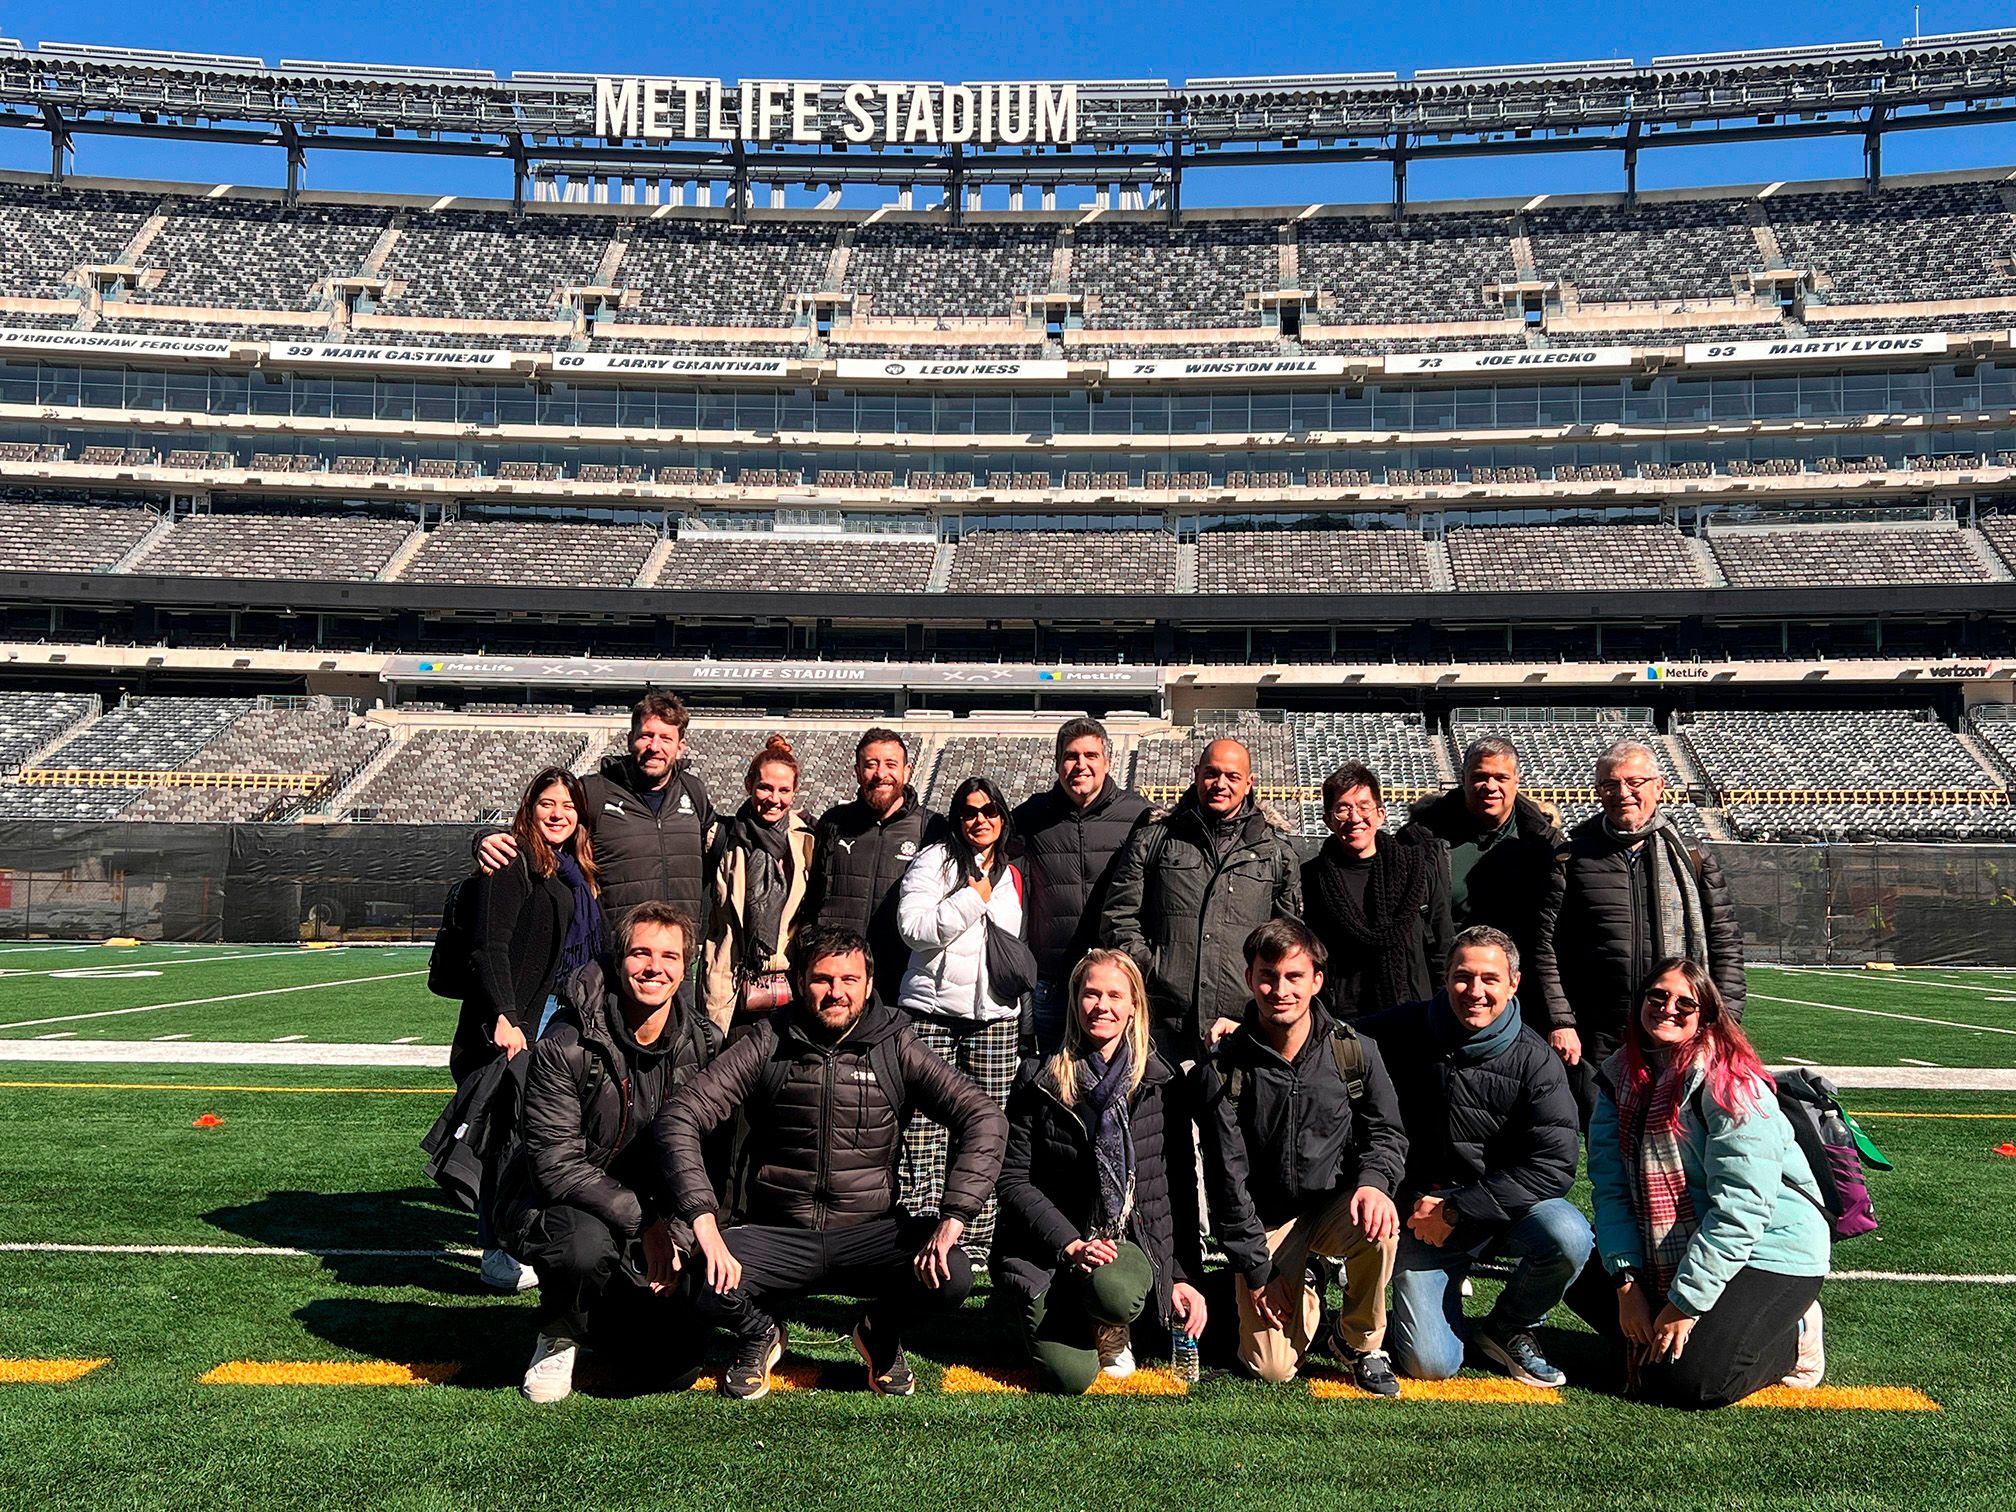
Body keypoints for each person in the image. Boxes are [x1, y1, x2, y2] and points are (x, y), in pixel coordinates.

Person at [661, 926, 1008, 1399]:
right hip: (778, 1232)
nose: (836, 993)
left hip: (869, 1233)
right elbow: (681, 1115)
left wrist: (953, 1219)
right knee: (696, 1280)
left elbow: (984, 1117)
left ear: (868, 984)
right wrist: (703, 1222)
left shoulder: (895, 1044)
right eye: (823, 979)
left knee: (954, 1274)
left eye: (850, 980)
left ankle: (879, 1332)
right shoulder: (767, 1040)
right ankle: (759, 1332)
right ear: (800, 980)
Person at [494, 902, 722, 1403]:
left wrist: (681, 1234)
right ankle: (558, 1334)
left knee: (671, 1368)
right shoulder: (567, 1041)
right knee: (583, 1246)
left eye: (668, 956)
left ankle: (608, 1317)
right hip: (565, 1203)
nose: (653, 968)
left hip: (658, 1212)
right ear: (619, 961)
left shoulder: (705, 1043)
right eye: (640, 953)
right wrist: (648, 1226)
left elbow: (710, 1157)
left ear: (686, 968)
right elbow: (555, 1165)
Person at [1584, 959, 1828, 1409]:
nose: (1667, 1008)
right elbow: (1611, 1190)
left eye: (1684, 1002)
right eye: (1657, 996)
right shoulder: (1618, 1078)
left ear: (1706, 1016)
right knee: (1575, 1259)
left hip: (1770, 1246)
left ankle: (1796, 1336)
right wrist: (1626, 1285)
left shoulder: (1732, 1083)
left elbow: (1741, 1210)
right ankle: (1671, 1328)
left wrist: (1683, 1304)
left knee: (1693, 1383)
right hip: (1677, 1238)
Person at [1359, 926, 1590, 1388]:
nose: (1476, 992)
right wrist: (1245, 1025)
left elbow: (1555, 1165)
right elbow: (1322, 1033)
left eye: (1490, 979)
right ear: (1445, 979)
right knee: (1431, 1366)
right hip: (1420, 1220)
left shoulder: (1536, 1059)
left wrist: (1459, 1209)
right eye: (1463, 977)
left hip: (1496, 1215)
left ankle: (1509, 1324)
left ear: (1514, 984)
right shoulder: (1400, 1028)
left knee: (1569, 1233)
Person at [1195, 919, 1407, 1393]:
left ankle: (1359, 1342)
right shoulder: (1225, 1065)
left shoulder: (1355, 1051)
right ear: (1249, 978)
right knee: (1271, 1369)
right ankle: (1304, 1277)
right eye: (1268, 975)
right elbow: (1227, 1179)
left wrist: (1374, 1182)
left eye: (1294, 977)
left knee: (1380, 1221)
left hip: (1335, 1206)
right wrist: (1257, 1269)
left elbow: (1387, 1133)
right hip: (1268, 1221)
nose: (1280, 989)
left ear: (1317, 980)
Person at [993, 949, 1209, 1393]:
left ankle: (1111, 1320)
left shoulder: (1158, 1084)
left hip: (1119, 1248)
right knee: (1068, 1377)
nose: (1102, 1006)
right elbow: (1011, 1179)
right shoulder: (1039, 1077)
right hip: (1052, 1249)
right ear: (1075, 1001)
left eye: (1115, 995)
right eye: (1091, 994)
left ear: (1134, 1007)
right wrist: (1069, 1243)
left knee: (1115, 1289)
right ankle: (1043, 1311)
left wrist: (1183, 1277)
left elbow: (1176, 1189)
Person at [1532, 739, 1746, 1120]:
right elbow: (1544, 945)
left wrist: (1723, 1019)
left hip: (1677, 1025)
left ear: (1658, 786)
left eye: (1634, 782)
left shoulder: (1691, 855)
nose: (1622, 794)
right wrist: (1561, 1020)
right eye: (1610, 785)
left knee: (1679, 1141)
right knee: (1607, 1149)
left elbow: (1725, 943)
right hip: (1598, 1034)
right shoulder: (1572, 856)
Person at [450, 765, 603, 1294]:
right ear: (529, 808)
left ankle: (527, 1235)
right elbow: (487, 946)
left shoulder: (574, 871)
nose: (558, 814)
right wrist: (505, 1016)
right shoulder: (512, 861)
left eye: (568, 806)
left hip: (560, 1012)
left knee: (541, 1136)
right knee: (504, 1138)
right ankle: (496, 1247)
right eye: (547, 804)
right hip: (518, 1018)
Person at [1102, 737, 1303, 1060]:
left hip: (1243, 1023)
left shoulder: (1276, 854)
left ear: (1249, 783)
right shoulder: (1154, 840)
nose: (1220, 784)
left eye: (1232, 777)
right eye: (1211, 773)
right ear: (1196, 774)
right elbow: (1118, 917)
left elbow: (1287, 941)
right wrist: (1154, 971)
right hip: (1162, 1022)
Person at [895, 775, 1026, 1256]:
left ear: (1003, 816)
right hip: (932, 1012)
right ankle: (917, 1228)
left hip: (994, 1017)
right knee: (925, 1127)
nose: (980, 820)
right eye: (970, 811)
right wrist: (974, 898)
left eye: (990, 810)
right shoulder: (935, 860)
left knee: (986, 1127)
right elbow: (913, 927)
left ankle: (974, 1239)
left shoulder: (1011, 872)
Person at [475, 691, 717, 924]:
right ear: (630, 739)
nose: (654, 746)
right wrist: (484, 838)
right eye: (646, 735)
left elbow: (730, 837)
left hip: (675, 950)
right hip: (613, 951)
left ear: (680, 746)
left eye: (666, 738)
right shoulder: (595, 791)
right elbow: (545, 821)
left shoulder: (693, 791)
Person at [1011, 717, 1151, 1054]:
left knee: (1121, 1083)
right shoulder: (1031, 816)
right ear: (1058, 762)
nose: (1081, 765)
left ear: (1107, 761)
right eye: (1071, 756)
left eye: (1090, 755)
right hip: (1053, 983)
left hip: (1118, 986)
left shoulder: (1140, 816)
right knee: (1054, 1083)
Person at [804, 727, 949, 1005]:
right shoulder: (834, 822)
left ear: (907, 771)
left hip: (901, 980)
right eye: (871, 765)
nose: (881, 773)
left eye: (890, 764)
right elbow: (813, 898)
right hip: (839, 980)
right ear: (858, 771)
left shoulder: (932, 828)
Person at [1301, 762, 1452, 1024]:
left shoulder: (1417, 871)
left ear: (1381, 813)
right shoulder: (1311, 878)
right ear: (1328, 820)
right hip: (1342, 1021)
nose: (1355, 818)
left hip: (1414, 1014)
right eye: (1343, 809)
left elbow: (1442, 947)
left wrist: (1445, 1010)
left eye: (1363, 806)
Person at [1397, 736, 1563, 974]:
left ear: (1517, 781)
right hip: (1444, 977)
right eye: (1480, 777)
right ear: (1463, 779)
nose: (1490, 786)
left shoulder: (1545, 842)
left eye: (1501, 778)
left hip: (1523, 979)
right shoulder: (1419, 840)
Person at [702, 736, 818, 1033]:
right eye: (765, 787)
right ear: (749, 785)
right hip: (730, 983)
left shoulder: (807, 841)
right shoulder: (723, 838)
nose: (773, 799)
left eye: (784, 790)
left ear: (795, 793)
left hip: (788, 985)